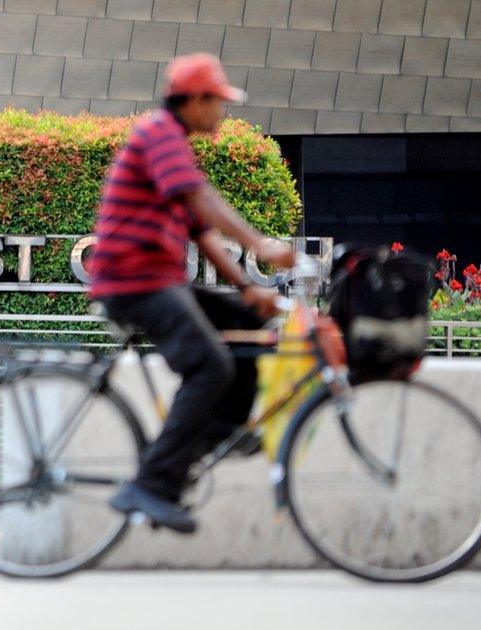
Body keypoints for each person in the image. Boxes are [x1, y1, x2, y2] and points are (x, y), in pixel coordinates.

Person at [87, 53, 296, 533]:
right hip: (133, 281)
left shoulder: (173, 143)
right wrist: (259, 244)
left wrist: (249, 289)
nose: (223, 112)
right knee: (210, 365)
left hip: (160, 280)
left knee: (248, 320)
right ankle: (151, 485)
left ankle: (219, 434)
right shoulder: (158, 134)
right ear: (196, 101)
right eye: (219, 103)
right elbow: (199, 198)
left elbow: (201, 232)